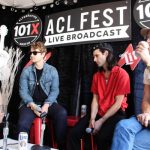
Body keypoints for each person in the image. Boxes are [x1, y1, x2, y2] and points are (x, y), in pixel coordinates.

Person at [67, 42, 130, 150]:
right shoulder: (96, 76)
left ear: (105, 53)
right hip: (99, 112)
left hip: (115, 113)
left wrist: (101, 121)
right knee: (74, 133)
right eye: (93, 57)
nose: (94, 60)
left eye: (96, 56)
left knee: (103, 137)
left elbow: (118, 103)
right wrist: (92, 118)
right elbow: (95, 100)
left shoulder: (122, 74)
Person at [17, 41, 67, 150]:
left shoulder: (52, 70)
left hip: (48, 103)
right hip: (29, 104)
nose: (31, 55)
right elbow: (23, 92)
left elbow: (55, 91)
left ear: (43, 54)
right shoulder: (26, 71)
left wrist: (46, 105)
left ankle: (61, 146)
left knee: (62, 113)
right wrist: (32, 106)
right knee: (22, 123)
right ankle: (22, 147)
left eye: (35, 53)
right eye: (31, 53)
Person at [111, 27, 150, 150]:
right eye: (147, 37)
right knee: (122, 126)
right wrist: (147, 113)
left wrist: (148, 61)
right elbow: (147, 97)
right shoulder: (145, 69)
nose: (148, 41)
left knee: (133, 145)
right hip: (144, 117)